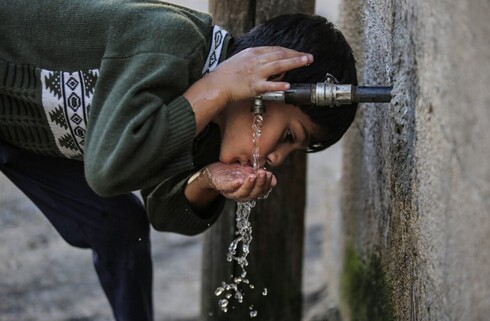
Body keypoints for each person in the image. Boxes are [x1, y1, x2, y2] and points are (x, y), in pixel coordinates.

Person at [0, 1, 357, 320]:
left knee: (119, 227)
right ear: (270, 82)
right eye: (289, 136)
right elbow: (107, 171)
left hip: (22, 137)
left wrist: (206, 180)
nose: (278, 157)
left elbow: (162, 212)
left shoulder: (211, 123)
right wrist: (215, 88)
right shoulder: (173, 42)